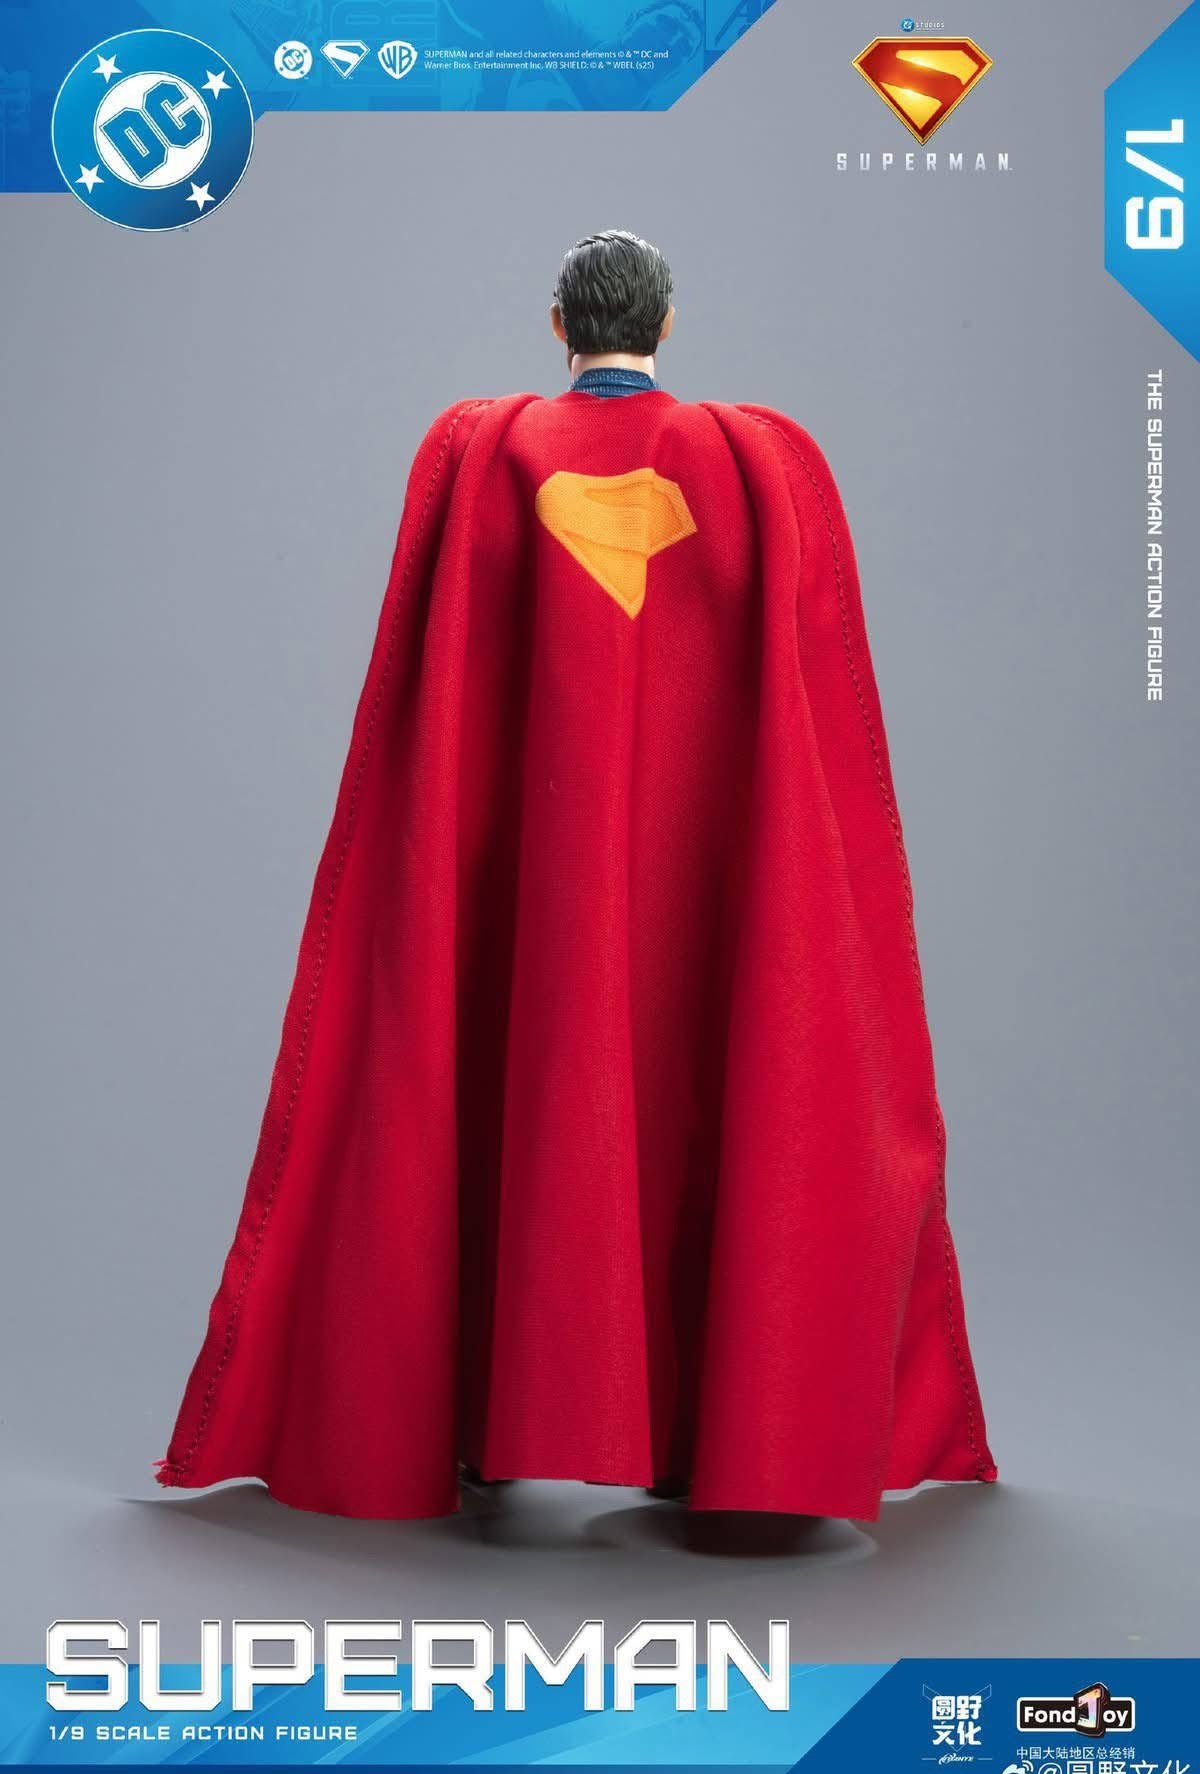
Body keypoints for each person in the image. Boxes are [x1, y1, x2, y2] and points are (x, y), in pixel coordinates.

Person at [158, 230, 996, 1521]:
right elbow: (801, 709)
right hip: (708, 891)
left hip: (524, 886)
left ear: (559, 323)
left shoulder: (481, 458)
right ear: (669, 321)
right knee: (718, 1085)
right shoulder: (760, 468)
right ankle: (724, 1440)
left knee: (492, 1077)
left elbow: (441, 696)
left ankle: (480, 1422)